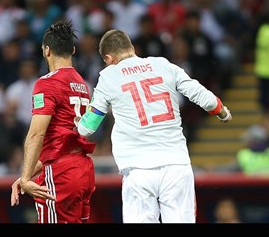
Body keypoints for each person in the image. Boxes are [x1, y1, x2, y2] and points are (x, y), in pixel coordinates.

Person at [77, 29, 232, 223]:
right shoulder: (163, 64)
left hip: (138, 168)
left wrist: (75, 126)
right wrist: (222, 112)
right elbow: (203, 97)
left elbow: (88, 127)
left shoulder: (109, 76)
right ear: (132, 48)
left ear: (108, 58)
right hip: (175, 163)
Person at [10, 21, 96, 223]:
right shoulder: (82, 84)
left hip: (61, 175)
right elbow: (64, 141)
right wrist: (29, 173)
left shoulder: (47, 83)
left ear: (46, 50)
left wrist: (25, 177)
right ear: (73, 50)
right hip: (83, 169)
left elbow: (36, 134)